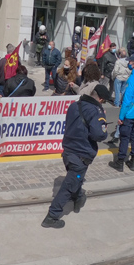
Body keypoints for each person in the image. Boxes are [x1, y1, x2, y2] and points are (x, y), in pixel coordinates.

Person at [41, 84, 111, 229]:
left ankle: (78, 197)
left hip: (68, 151)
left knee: (75, 178)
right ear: (101, 99)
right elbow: (98, 134)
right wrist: (105, 130)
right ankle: (52, 216)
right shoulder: (97, 111)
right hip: (81, 155)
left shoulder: (74, 105)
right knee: (69, 184)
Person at [109, 54, 134, 172]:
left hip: (129, 114)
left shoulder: (132, 79)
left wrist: (121, 116)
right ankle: (133, 161)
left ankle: (120, 161)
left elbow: (127, 100)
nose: (128, 64)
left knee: (125, 137)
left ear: (133, 63)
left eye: (129, 62)